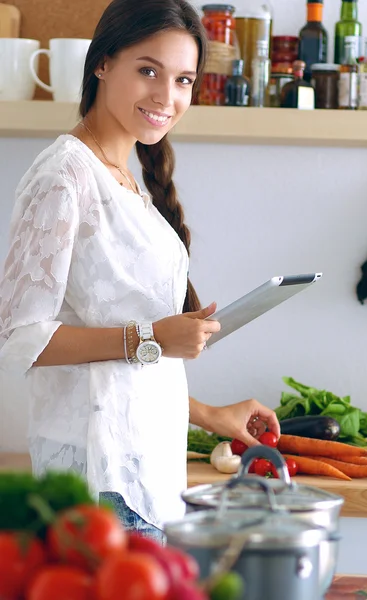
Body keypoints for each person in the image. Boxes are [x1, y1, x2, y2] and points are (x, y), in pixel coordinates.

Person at [0, 0, 280, 542]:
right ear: (102, 62)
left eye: (182, 80)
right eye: (148, 70)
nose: (166, 96)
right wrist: (152, 336)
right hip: (99, 486)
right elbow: (20, 337)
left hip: (146, 474)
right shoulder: (66, 176)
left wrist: (208, 414)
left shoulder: (125, 178)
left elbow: (121, 375)